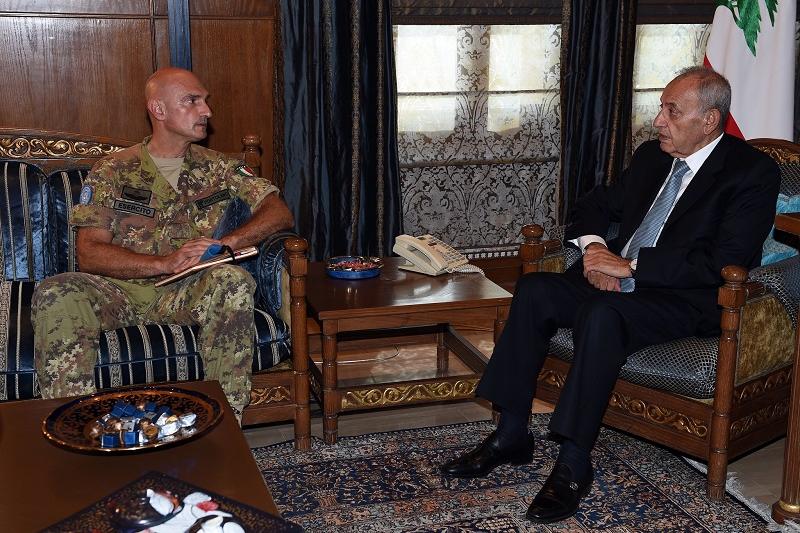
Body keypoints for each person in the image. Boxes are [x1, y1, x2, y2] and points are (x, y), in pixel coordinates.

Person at [439, 66, 779, 522]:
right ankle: (512, 432)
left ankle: (573, 463)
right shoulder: (652, 157)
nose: (658, 121)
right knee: (535, 289)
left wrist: (631, 267)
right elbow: (594, 205)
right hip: (616, 281)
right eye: (661, 108)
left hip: (685, 297)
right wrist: (596, 251)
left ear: (709, 120)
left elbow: (724, 261)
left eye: (672, 111)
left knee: (602, 314)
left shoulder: (751, 173)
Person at [31, 67, 294, 419]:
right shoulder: (113, 170)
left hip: (186, 289)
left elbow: (278, 212)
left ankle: (224, 424)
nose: (206, 111)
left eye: (205, 101)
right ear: (158, 109)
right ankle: (75, 427)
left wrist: (228, 242)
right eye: (192, 101)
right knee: (56, 291)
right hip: (119, 291)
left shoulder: (221, 168)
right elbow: (89, 253)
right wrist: (163, 263)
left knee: (233, 282)